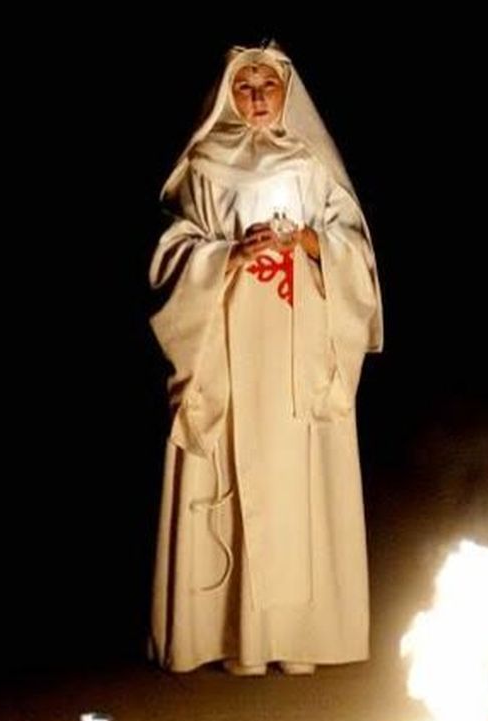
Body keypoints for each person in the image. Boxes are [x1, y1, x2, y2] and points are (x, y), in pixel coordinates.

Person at [148, 43, 383, 675]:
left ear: (286, 92)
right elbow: (172, 252)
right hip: (227, 346)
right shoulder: (202, 166)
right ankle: (230, 636)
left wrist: (309, 242)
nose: (256, 96)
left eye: (267, 85)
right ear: (227, 92)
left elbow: (353, 249)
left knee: (294, 477)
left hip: (297, 350)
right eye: (244, 85)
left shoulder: (311, 166)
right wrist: (225, 255)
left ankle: (297, 638)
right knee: (233, 467)